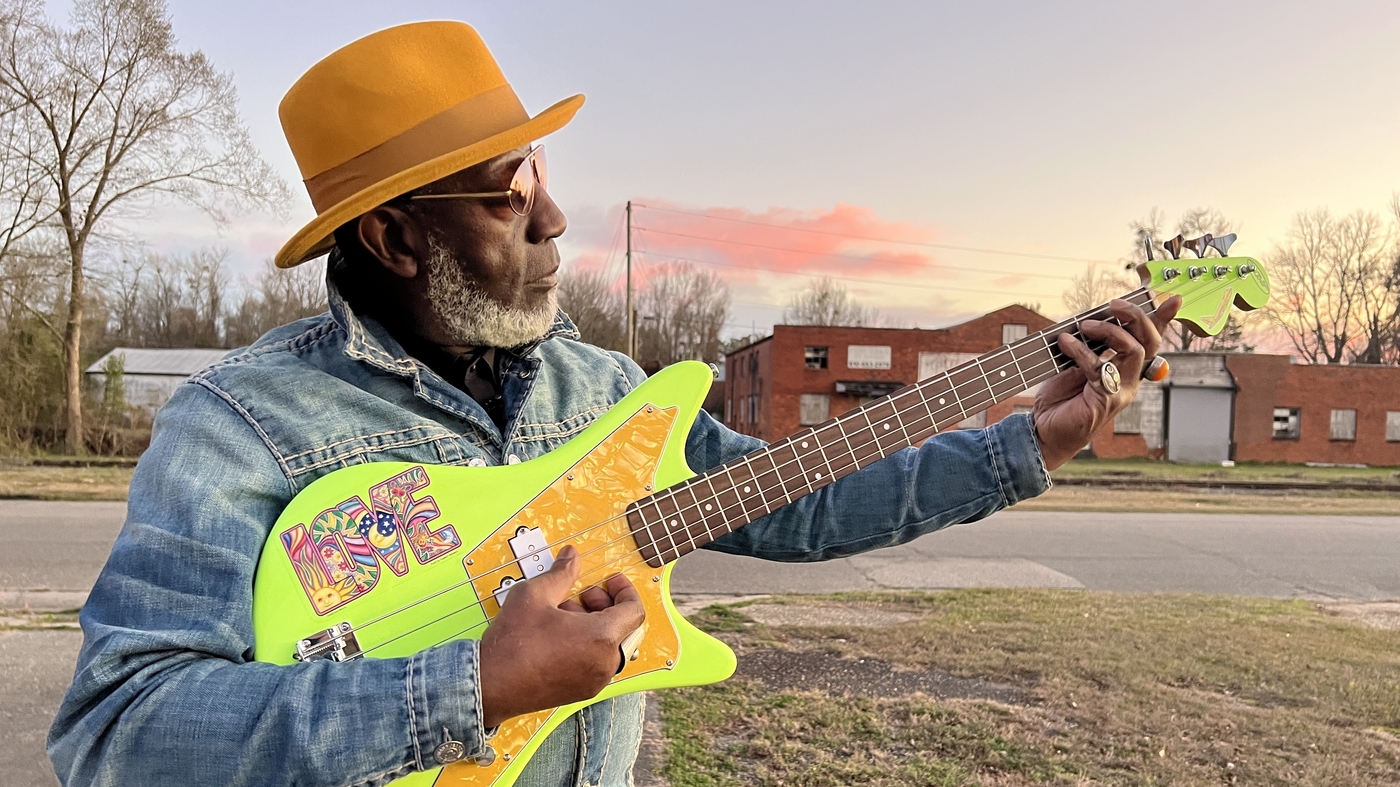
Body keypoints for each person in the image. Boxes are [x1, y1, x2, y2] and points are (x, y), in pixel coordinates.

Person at [48, 20, 1177, 787]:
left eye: (542, 175)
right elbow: (117, 730)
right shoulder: (241, 423)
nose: (553, 222)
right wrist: (473, 686)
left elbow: (796, 500)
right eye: (510, 195)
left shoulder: (605, 388)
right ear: (394, 237)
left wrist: (1027, 440)